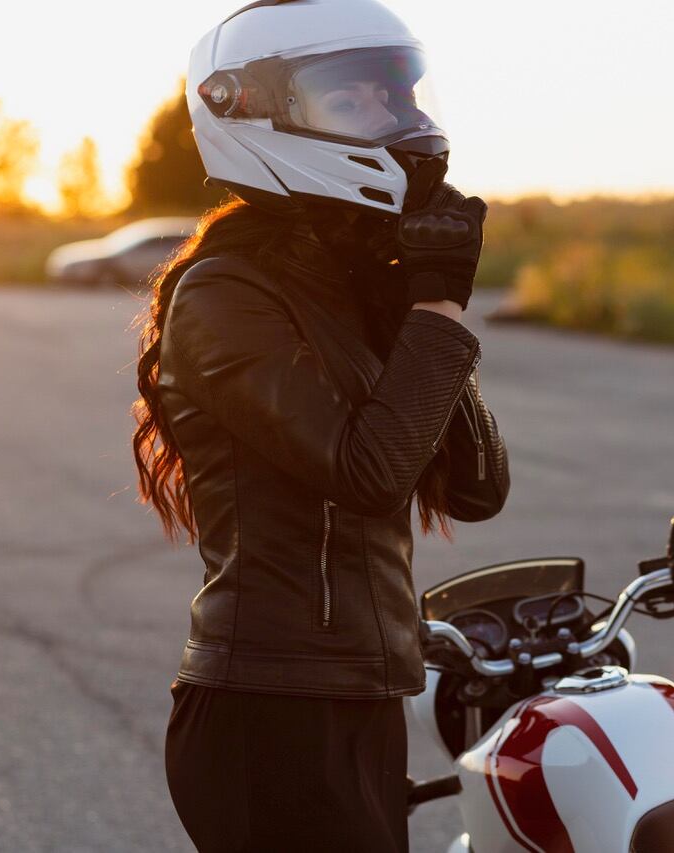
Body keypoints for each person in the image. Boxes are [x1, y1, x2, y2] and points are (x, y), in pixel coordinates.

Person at [130, 1, 510, 850]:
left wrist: (415, 302)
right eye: (354, 101)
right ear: (251, 112)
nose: (402, 123)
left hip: (361, 699)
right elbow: (369, 473)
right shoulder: (225, 296)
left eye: (400, 96)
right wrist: (439, 308)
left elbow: (480, 486)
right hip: (271, 709)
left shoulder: (349, 288)